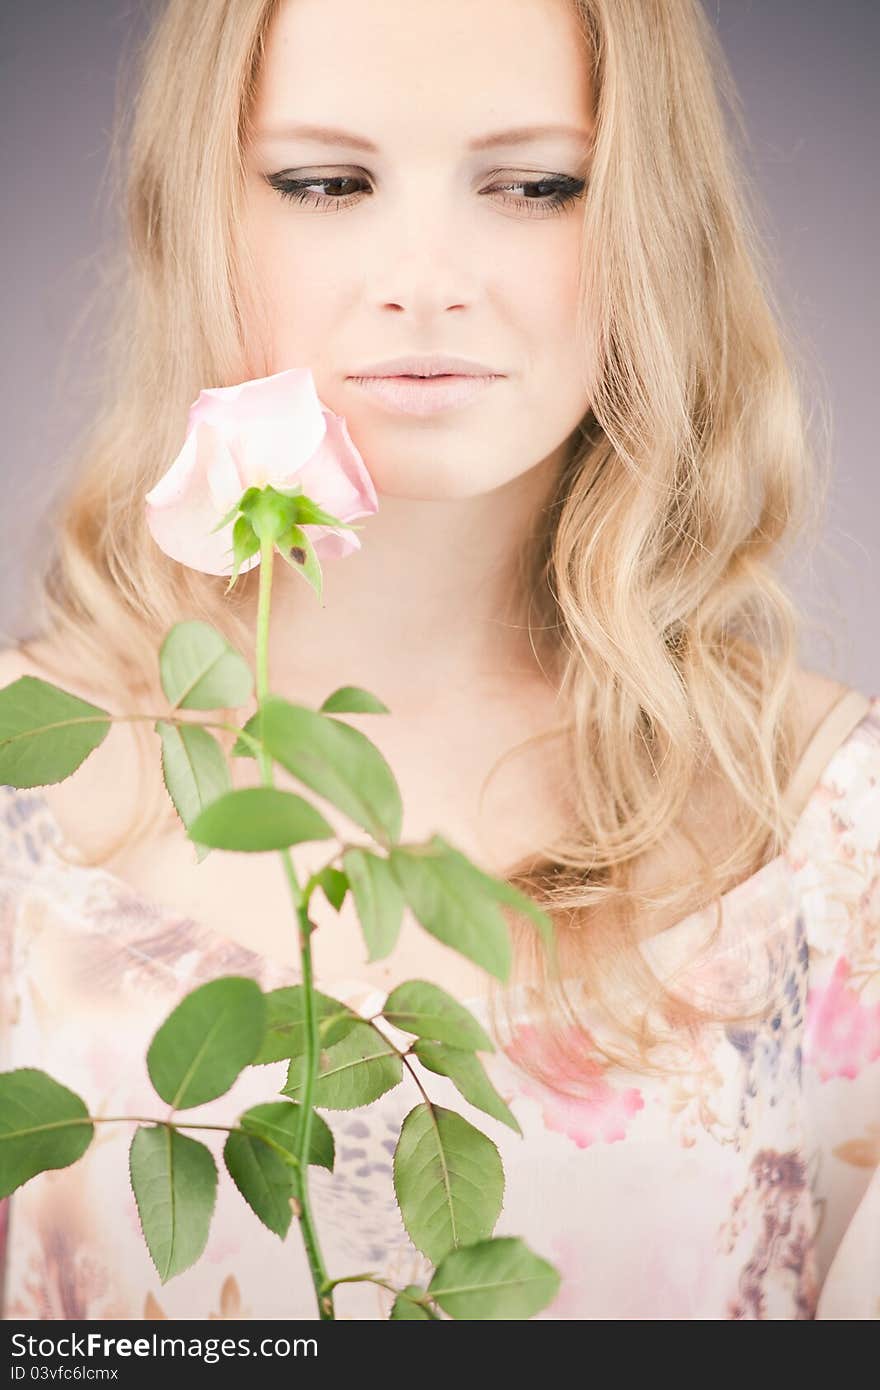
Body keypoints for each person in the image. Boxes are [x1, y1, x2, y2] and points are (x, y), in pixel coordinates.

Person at [0, 0, 876, 1321]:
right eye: (325, 181)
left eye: (532, 184)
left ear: (653, 217)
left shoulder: (835, 839)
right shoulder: (23, 781)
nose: (423, 277)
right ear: (202, 211)